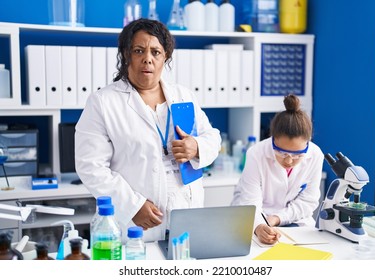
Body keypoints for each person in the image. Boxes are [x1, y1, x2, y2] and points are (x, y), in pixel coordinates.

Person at [75, 18, 221, 242]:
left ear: (166, 57)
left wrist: (197, 146)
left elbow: (212, 137)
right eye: (139, 50)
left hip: (186, 211)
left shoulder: (183, 96)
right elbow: (90, 167)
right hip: (138, 222)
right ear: (126, 54)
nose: (148, 59)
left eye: (156, 52)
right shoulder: (103, 102)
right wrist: (132, 206)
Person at [231, 94, 324, 245]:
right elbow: (250, 201)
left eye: (297, 155)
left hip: (295, 221)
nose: (288, 161)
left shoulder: (315, 155)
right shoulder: (256, 154)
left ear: (308, 143)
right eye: (281, 153)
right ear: (273, 138)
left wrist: (276, 218)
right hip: (256, 220)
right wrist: (259, 226)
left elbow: (308, 201)